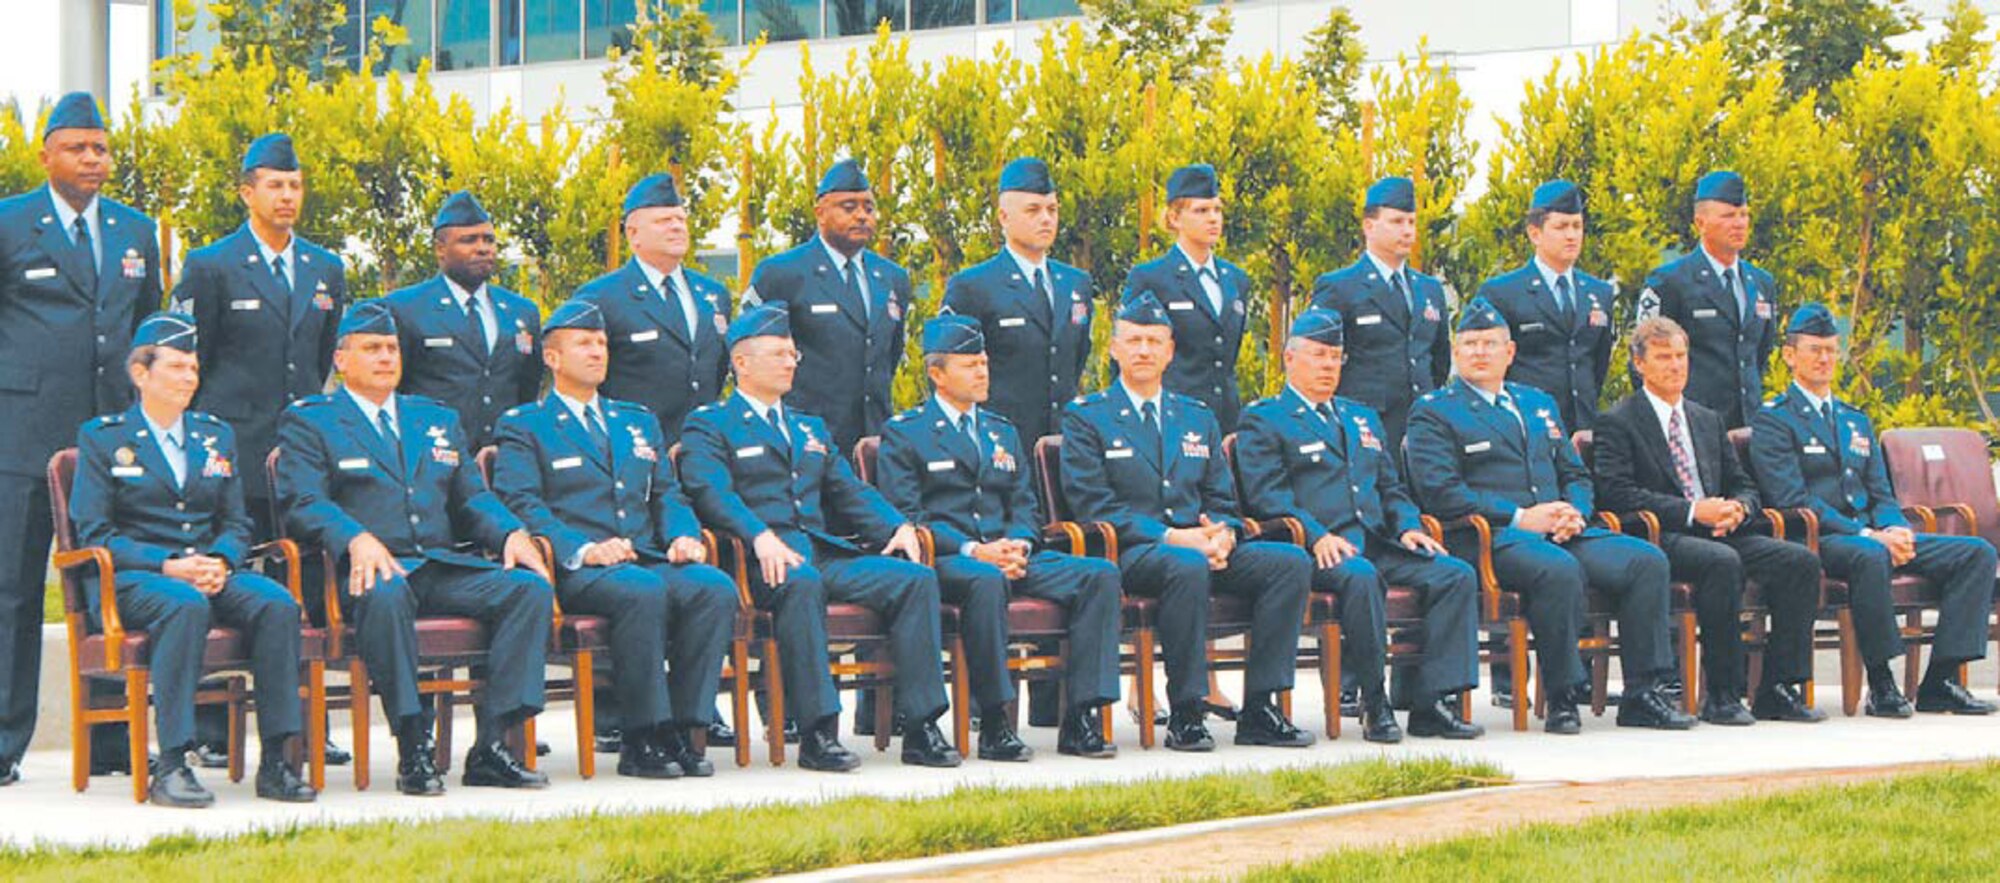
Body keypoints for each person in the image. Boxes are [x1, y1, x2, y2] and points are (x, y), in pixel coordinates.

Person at [274, 301, 555, 795]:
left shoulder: (434, 418)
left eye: (391, 348)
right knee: (386, 593)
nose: (385, 358)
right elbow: (303, 502)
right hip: (359, 573)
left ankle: (492, 743)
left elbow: (474, 499)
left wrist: (511, 533)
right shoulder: (312, 421)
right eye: (371, 348)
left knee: (526, 590)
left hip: (438, 566)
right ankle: (412, 743)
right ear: (341, 360)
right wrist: (355, 538)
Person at [679, 303, 958, 771]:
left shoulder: (808, 427)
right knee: (802, 582)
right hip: (759, 561)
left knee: (914, 579)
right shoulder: (710, 424)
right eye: (778, 354)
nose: (791, 362)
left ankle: (922, 724)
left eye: (793, 354)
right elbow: (712, 494)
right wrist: (758, 535)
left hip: (821, 553)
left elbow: (848, 491)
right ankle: (818, 732)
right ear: (741, 363)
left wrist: (896, 526)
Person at [1405, 298, 1693, 734]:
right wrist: (1523, 516)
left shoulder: (1536, 403)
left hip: (1562, 530)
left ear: (1511, 353)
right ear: (1456, 352)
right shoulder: (1434, 410)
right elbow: (1443, 493)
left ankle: (1643, 692)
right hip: (1493, 537)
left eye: (1490, 343)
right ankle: (1562, 695)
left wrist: (1574, 511)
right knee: (1558, 570)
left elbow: (1574, 472)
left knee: (1645, 561)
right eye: (1469, 344)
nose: (1480, 352)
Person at [68, 312, 317, 807]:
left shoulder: (214, 435)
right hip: (138, 581)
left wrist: (222, 560)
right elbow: (96, 534)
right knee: (184, 604)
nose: (189, 378)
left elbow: (236, 522)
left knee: (278, 604)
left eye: (194, 369)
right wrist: (168, 564)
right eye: (177, 367)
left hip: (210, 571)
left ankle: (277, 759)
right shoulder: (104, 437)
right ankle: (174, 762)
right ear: (141, 374)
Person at [491, 300, 737, 778]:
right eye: (584, 343)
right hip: (578, 568)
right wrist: (583, 549)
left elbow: (666, 493)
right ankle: (641, 736)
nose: (597, 352)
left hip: (642, 557)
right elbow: (521, 503)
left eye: (602, 343)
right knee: (642, 592)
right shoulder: (525, 425)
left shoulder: (636, 421)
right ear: (552, 358)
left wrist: (686, 538)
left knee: (713, 587)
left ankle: (685, 730)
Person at [1061, 293, 1315, 751]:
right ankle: (1187, 710)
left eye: (1154, 341)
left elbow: (1221, 496)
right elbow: (1093, 506)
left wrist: (1224, 536)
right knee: (1186, 564)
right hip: (1133, 550)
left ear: (1171, 351)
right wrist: (1175, 536)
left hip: (1200, 547)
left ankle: (1260, 706)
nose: (1143, 350)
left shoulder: (1196, 416)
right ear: (1113, 350)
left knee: (1289, 562)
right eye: (1133, 340)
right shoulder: (1087, 417)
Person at [173, 132, 351, 769]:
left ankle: (303, 721)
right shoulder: (212, 264)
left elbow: (321, 355)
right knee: (227, 582)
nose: (287, 196)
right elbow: (196, 359)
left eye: (295, 185)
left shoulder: (326, 268)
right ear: (247, 192)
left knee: (303, 586)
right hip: (236, 452)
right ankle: (213, 728)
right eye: (274, 185)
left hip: (301, 456)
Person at [0, 92, 162, 785]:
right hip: (22, 436)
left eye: (100, 147)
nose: (92, 159)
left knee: (110, 587)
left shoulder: (134, 229)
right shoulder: (10, 224)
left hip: (109, 445)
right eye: (78, 147)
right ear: (47, 156)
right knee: (11, 588)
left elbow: (146, 326)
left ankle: (108, 742)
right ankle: (5, 741)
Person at [876, 315, 1123, 759]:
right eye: (970, 364)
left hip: (1010, 553)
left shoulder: (1000, 430)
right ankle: (994, 719)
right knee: (984, 582)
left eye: (985, 362)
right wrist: (975, 549)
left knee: (1098, 575)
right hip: (950, 558)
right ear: (937, 373)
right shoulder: (905, 432)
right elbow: (909, 515)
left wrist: (1020, 545)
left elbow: (1025, 504)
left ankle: (1082, 714)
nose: (982, 372)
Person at [1235, 307, 1483, 743]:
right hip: (1318, 549)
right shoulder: (1266, 418)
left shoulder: (1359, 416)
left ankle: (1431, 701)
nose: (1328, 366)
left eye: (1335, 357)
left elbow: (1390, 487)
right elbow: (1267, 496)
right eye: (1317, 355)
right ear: (1289, 359)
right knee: (1362, 577)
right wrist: (1316, 535)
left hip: (1376, 539)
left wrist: (1408, 525)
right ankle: (1374, 700)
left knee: (1454, 574)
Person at [1749, 304, 1998, 717]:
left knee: (1976, 553)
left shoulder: (1854, 419)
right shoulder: (1775, 419)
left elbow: (1881, 492)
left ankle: (1942, 679)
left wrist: (1896, 528)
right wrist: (1869, 535)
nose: (1825, 359)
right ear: (1790, 356)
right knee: (1870, 555)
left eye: (1831, 349)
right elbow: (1793, 498)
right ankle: (1882, 683)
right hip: (1820, 538)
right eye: (1815, 350)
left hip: (1873, 534)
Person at [1594, 316, 1826, 725]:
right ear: (1639, 363)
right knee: (1721, 562)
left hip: (1720, 529)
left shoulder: (1705, 418)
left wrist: (1739, 507)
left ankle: (1776, 687)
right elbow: (1616, 493)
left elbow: (1744, 483)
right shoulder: (1618, 421)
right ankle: (1722, 694)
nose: (1675, 366)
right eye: (1664, 357)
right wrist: (1691, 511)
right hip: (1660, 534)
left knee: (1799, 562)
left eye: (1681, 356)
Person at [742, 160, 912, 452]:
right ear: (820, 212)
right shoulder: (782, 273)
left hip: (874, 442)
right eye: (849, 207)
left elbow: (889, 354)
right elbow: (750, 355)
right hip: (805, 442)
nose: (861, 216)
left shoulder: (892, 277)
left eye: (868, 208)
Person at [938, 157, 1095, 454]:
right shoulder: (973, 286)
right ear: (1004, 217)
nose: (1046, 219)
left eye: (1052, 209)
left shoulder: (1075, 284)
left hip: (1064, 448)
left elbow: (1075, 361)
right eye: (1033, 210)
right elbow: (949, 376)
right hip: (999, 449)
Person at [571, 173, 731, 447]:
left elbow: (715, 369)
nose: (677, 227)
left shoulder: (713, 295)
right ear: (633, 234)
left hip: (705, 451)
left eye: (681, 219)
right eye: (663, 221)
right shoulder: (601, 297)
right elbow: (581, 381)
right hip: (634, 451)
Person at [380, 191, 542, 448]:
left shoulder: (521, 311)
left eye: (488, 240)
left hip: (505, 459)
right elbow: (391, 390)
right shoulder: (405, 308)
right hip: (433, 459)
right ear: (440, 249)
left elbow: (527, 388)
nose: (482, 248)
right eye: (468, 240)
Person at [1312, 176, 1451, 452]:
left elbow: (1438, 359)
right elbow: (1318, 356)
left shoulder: (1429, 289)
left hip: (1422, 430)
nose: (1408, 231)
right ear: (1369, 226)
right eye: (1397, 222)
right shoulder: (1340, 286)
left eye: (1411, 222)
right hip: (1366, 430)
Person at [1634, 171, 1776, 429]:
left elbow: (1759, 354)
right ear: (1701, 223)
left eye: (1743, 215)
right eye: (1728, 216)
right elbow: (1643, 357)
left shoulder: (1761, 283)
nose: (1739, 223)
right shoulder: (1671, 282)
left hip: (1750, 428)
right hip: (1693, 428)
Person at [1474, 180, 1615, 433]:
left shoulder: (1599, 292)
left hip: (1582, 431)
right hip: (1527, 431)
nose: (1571, 235)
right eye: (1561, 227)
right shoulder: (1502, 293)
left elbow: (1597, 364)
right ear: (1535, 233)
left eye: (1577, 226)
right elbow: (1486, 369)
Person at [1120, 164, 1250, 431]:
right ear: (1175, 218)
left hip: (1224, 422)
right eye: (1201, 211)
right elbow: (1125, 356)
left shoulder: (1235, 279)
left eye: (1217, 209)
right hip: (1170, 421)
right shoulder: (1152, 278)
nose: (1213, 218)